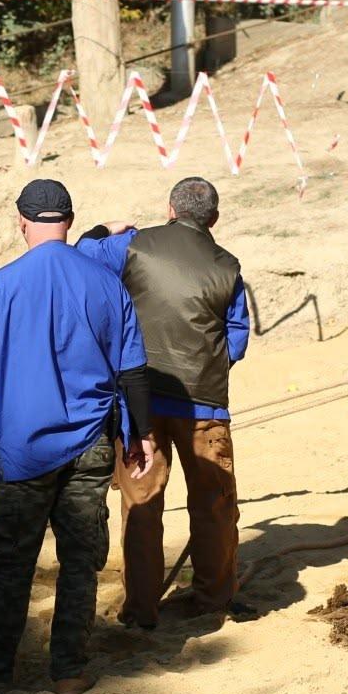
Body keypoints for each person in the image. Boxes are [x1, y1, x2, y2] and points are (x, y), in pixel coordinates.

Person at [0, 179, 156, 694]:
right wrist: (142, 435)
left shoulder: (0, 287)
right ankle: (68, 670)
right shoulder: (108, 283)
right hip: (91, 443)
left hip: (23, 452)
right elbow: (132, 371)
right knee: (81, 561)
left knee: (11, 562)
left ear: (21, 223)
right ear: (69, 219)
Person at [74, 177, 252, 628]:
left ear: (170, 208)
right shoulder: (227, 266)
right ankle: (213, 601)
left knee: (141, 503)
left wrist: (100, 229)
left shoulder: (131, 247)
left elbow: (80, 254)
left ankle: (140, 611)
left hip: (141, 403)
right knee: (213, 505)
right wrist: (208, 363)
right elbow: (237, 339)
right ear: (213, 218)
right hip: (204, 405)